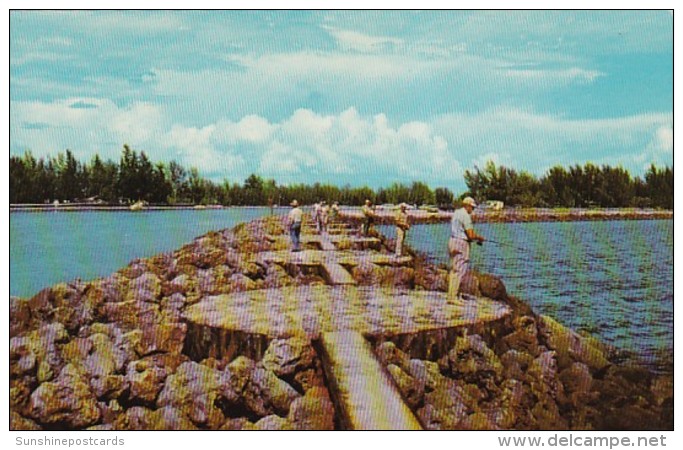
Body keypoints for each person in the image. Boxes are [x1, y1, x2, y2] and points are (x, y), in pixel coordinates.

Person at [448, 196, 485, 298]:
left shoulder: (456, 213)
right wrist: (480, 238)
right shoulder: (465, 216)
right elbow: (471, 235)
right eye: (472, 207)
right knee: (460, 270)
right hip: (461, 244)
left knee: (454, 270)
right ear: (467, 206)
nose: (472, 210)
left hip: (452, 241)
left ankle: (452, 295)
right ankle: (453, 297)